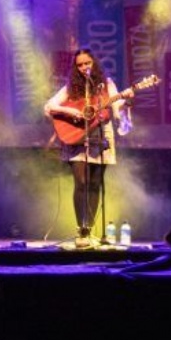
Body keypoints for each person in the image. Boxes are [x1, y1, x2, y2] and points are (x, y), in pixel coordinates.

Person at [44, 48, 134, 248]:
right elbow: (50, 106)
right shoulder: (71, 87)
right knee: (81, 182)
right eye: (80, 65)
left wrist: (126, 102)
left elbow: (117, 107)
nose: (84, 67)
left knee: (94, 183)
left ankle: (90, 230)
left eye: (87, 63)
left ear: (94, 63)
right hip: (77, 138)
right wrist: (72, 112)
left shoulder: (106, 84)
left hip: (100, 135)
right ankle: (81, 230)